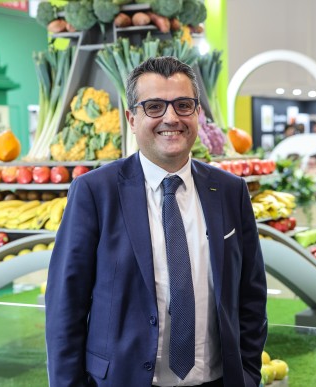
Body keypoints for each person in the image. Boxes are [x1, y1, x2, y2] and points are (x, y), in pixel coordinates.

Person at [45, 56, 268, 387]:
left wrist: (248, 375)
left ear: (197, 114)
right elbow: (66, 306)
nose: (171, 118)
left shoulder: (229, 190)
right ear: (132, 118)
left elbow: (251, 294)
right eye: (154, 107)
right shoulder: (94, 192)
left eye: (183, 105)